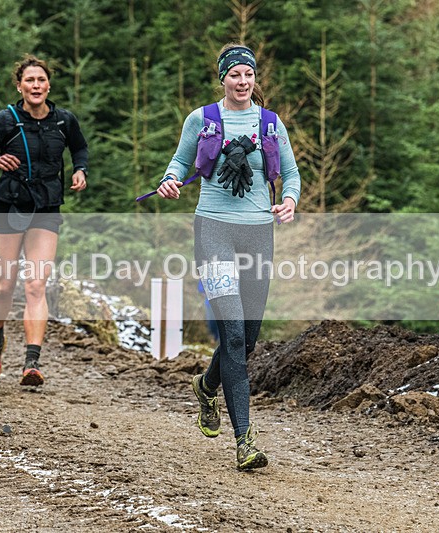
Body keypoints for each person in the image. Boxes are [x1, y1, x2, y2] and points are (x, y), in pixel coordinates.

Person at [156, 43, 301, 470]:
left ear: (256, 80)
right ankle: (245, 441)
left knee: (249, 337)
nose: (242, 82)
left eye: (248, 75)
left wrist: (289, 200)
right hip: (214, 230)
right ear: (223, 79)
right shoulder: (202, 119)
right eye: (234, 75)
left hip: (258, 234)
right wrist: (169, 180)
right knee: (233, 334)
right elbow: (180, 163)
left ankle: (205, 386)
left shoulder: (271, 124)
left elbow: (290, 174)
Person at [0, 54, 88, 386]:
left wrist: (80, 170)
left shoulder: (64, 120)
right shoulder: (5, 120)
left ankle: (31, 363)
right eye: (29, 81)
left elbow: (80, 148)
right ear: (19, 86)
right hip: (9, 204)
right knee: (5, 284)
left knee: (36, 284)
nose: (36, 86)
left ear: (49, 85)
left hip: (45, 207)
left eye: (41, 80)